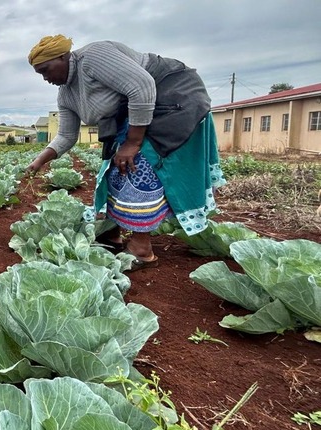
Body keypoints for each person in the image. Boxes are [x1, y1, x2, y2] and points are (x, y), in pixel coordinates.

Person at [26, 35, 225, 270]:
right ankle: (112, 234)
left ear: (63, 56)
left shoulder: (92, 57)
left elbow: (142, 87)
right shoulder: (67, 94)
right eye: (40, 74)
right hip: (136, 115)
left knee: (136, 168)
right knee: (111, 172)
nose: (46, 78)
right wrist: (39, 161)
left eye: (46, 70)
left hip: (173, 99)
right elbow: (67, 135)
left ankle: (142, 249)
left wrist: (132, 143)